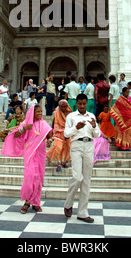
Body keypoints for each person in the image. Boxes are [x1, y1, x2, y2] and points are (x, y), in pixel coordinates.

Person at [1, 104, 52, 213]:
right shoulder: (26, 124)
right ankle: (28, 201)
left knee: (39, 177)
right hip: (30, 153)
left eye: (41, 111)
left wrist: (49, 140)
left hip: (41, 153)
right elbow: (15, 135)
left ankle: (35, 202)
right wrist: (24, 128)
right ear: (32, 113)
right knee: (30, 176)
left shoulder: (43, 124)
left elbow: (49, 134)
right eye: (37, 111)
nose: (40, 113)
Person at [63, 93, 100, 223]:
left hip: (89, 145)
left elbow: (97, 134)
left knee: (87, 179)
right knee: (77, 177)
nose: (83, 106)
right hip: (76, 145)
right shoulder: (71, 116)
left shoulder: (91, 116)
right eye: (80, 104)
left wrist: (95, 126)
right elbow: (66, 133)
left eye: (84, 103)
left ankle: (82, 212)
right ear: (76, 103)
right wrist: (76, 127)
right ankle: (68, 203)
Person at [47, 99, 72, 172]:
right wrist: (51, 136)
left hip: (67, 133)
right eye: (61, 107)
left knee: (68, 147)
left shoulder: (70, 114)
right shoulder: (56, 114)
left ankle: (64, 162)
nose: (63, 109)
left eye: (65, 107)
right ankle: (58, 164)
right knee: (58, 147)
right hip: (58, 134)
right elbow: (53, 124)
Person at [110, 87, 131, 151]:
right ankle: (120, 146)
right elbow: (114, 108)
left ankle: (127, 146)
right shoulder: (120, 99)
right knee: (120, 132)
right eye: (126, 92)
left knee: (128, 133)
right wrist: (118, 118)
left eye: (128, 92)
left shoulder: (130, 98)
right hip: (121, 120)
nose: (127, 93)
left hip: (129, 119)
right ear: (123, 92)